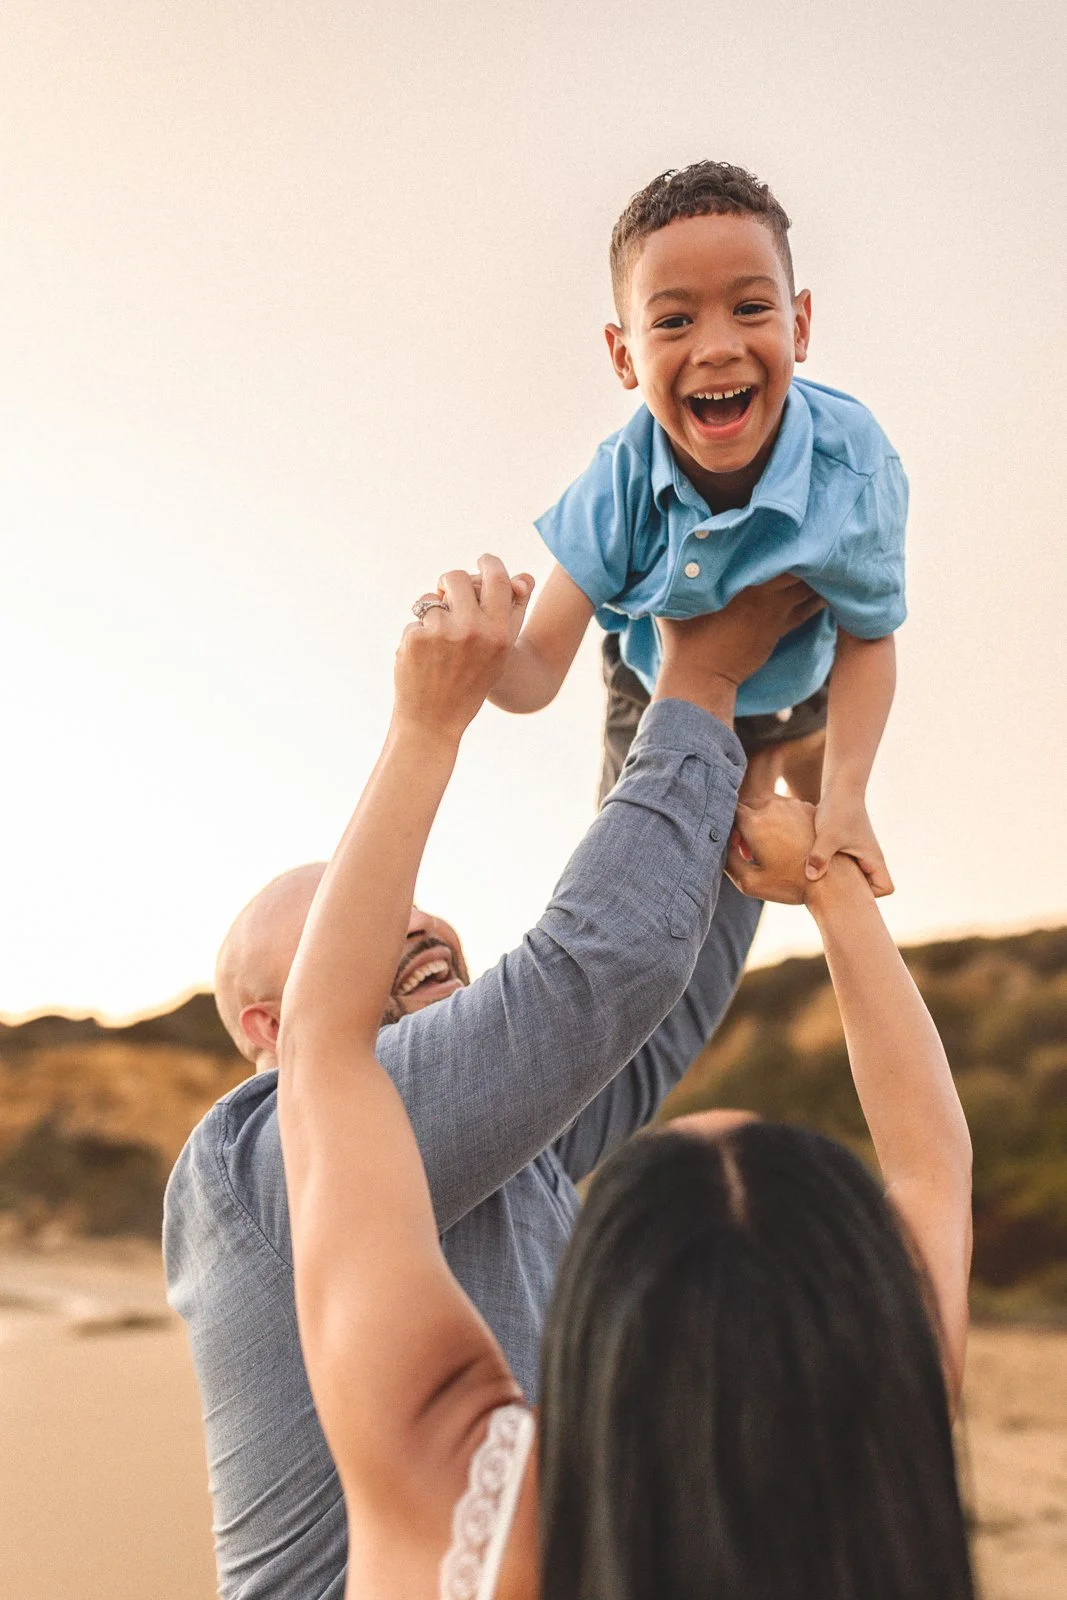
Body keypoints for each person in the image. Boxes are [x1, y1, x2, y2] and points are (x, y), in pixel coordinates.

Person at [277, 555, 974, 1599]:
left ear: (593, 1299)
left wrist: (424, 724)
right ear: (861, 1307)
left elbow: (323, 1055)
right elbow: (932, 1161)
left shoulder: (473, 1507)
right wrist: (826, 882)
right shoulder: (883, 1461)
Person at [164, 562, 822, 1600]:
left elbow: (658, 998)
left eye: (413, 898)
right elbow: (600, 970)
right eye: (358, 909)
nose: (415, 916)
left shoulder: (504, 1150)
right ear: (267, 1023)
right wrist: (700, 676)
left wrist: (651, 672)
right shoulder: (253, 1154)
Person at [488, 160, 907, 894]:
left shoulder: (849, 464)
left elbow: (869, 633)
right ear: (624, 357)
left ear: (799, 325)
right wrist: (479, 652)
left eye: (749, 309)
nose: (715, 347)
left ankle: (794, 759)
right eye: (674, 320)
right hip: (651, 691)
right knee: (635, 891)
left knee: (788, 857)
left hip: (794, 686)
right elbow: (531, 678)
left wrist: (847, 798)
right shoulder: (618, 484)